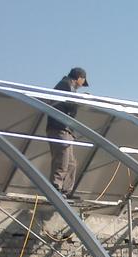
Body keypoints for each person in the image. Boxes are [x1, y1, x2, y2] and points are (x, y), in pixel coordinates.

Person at [45, 67, 88, 197]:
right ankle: (56, 187)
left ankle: (66, 190)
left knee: (71, 163)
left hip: (66, 130)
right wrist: (82, 100)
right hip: (59, 128)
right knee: (62, 159)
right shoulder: (65, 85)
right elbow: (70, 103)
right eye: (83, 81)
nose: (81, 85)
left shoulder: (69, 87)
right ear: (79, 78)